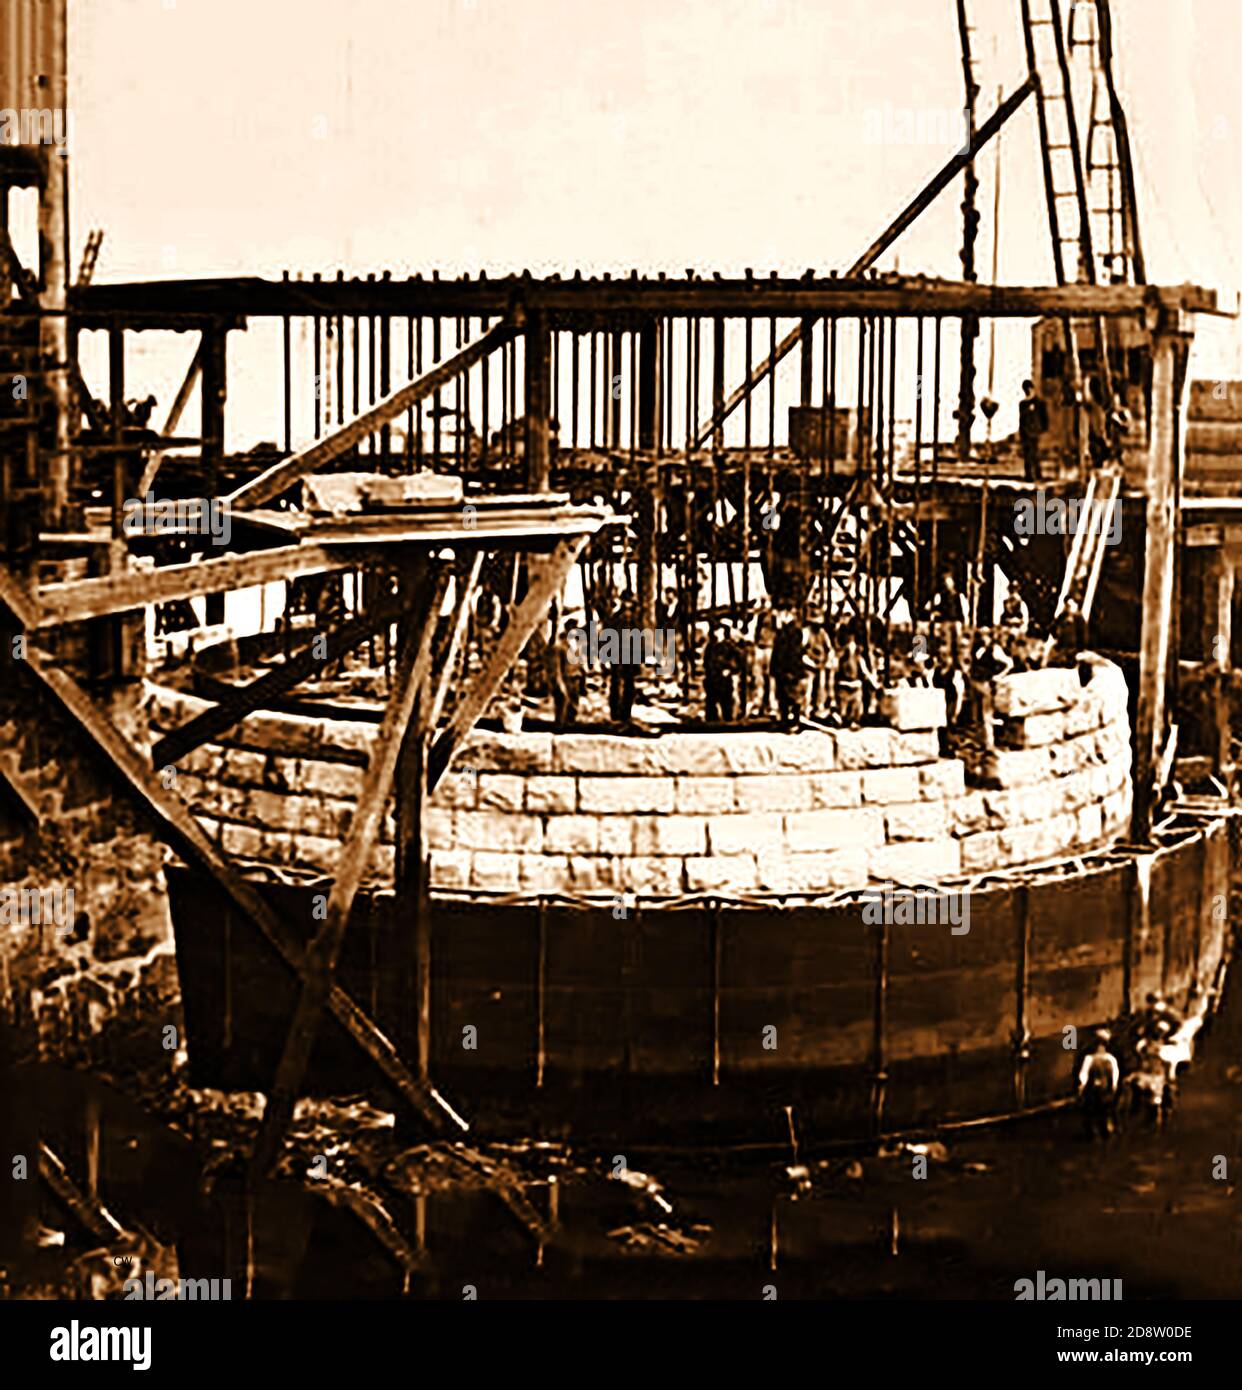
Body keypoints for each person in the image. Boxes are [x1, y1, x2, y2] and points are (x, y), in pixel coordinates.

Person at [969, 629, 1013, 752]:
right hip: (975, 683)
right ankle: (979, 742)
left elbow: (1009, 663)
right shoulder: (977, 648)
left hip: (985, 684)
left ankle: (989, 744)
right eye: (980, 635)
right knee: (976, 716)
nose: (983, 638)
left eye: (985, 635)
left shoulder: (994, 649)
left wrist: (998, 676)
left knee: (986, 716)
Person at [1077, 1031, 1121, 1140]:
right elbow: (1115, 1074)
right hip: (1104, 1089)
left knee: (1093, 1110)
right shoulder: (1110, 1059)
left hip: (1095, 1089)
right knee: (1104, 1110)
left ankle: (1094, 1131)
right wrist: (1113, 1086)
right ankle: (1104, 1129)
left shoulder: (1090, 1059)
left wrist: (1082, 1086)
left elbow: (1084, 1073)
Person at [604, 600, 641, 724]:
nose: (628, 611)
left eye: (630, 608)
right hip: (617, 657)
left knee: (629, 686)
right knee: (616, 684)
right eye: (626, 607)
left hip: (631, 658)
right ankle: (615, 714)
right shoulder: (614, 620)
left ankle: (626, 713)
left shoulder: (635, 621)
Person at [771, 610, 810, 725]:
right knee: (789, 696)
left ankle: (790, 720)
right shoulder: (789, 632)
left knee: (788, 696)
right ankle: (791, 720)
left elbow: (791, 653)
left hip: (788, 668)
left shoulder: (790, 633)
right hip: (788, 668)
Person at [836, 627, 877, 728]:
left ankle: (855, 719)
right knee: (843, 714)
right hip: (843, 689)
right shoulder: (839, 658)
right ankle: (843, 718)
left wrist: (873, 683)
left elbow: (865, 673)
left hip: (855, 688)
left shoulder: (858, 658)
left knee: (857, 702)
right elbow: (833, 675)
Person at [547, 618, 585, 726]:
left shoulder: (579, 645)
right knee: (563, 702)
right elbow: (557, 666)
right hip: (566, 677)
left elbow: (581, 662)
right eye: (571, 628)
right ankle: (560, 725)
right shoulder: (560, 646)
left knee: (574, 702)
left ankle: (570, 724)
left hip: (576, 677)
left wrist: (583, 678)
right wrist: (559, 681)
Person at [703, 622, 744, 723]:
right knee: (711, 701)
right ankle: (711, 721)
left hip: (725, 678)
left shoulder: (729, 647)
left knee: (726, 701)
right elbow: (706, 662)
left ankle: (728, 719)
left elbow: (737, 662)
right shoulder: (710, 647)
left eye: (719, 631)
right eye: (715, 631)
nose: (717, 633)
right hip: (712, 678)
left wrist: (730, 670)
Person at [804, 610, 835, 716]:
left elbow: (829, 649)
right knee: (809, 688)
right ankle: (806, 710)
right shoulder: (806, 632)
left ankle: (819, 709)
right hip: (808, 666)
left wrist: (826, 661)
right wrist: (810, 663)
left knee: (821, 686)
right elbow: (802, 650)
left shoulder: (822, 633)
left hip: (821, 664)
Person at [1019, 379, 1049, 483]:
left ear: (1032, 389)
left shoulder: (1040, 403)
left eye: (1029, 389)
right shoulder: (1023, 404)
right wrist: (1021, 432)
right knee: (1027, 453)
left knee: (1034, 453)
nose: (1028, 392)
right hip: (1025, 432)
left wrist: (1042, 429)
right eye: (1026, 390)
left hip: (1035, 431)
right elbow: (1021, 419)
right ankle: (1029, 475)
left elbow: (1044, 418)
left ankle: (1037, 474)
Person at [752, 606, 777, 717]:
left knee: (771, 679)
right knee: (759, 679)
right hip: (760, 647)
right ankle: (758, 704)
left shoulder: (775, 616)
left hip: (770, 648)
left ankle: (771, 705)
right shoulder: (760, 616)